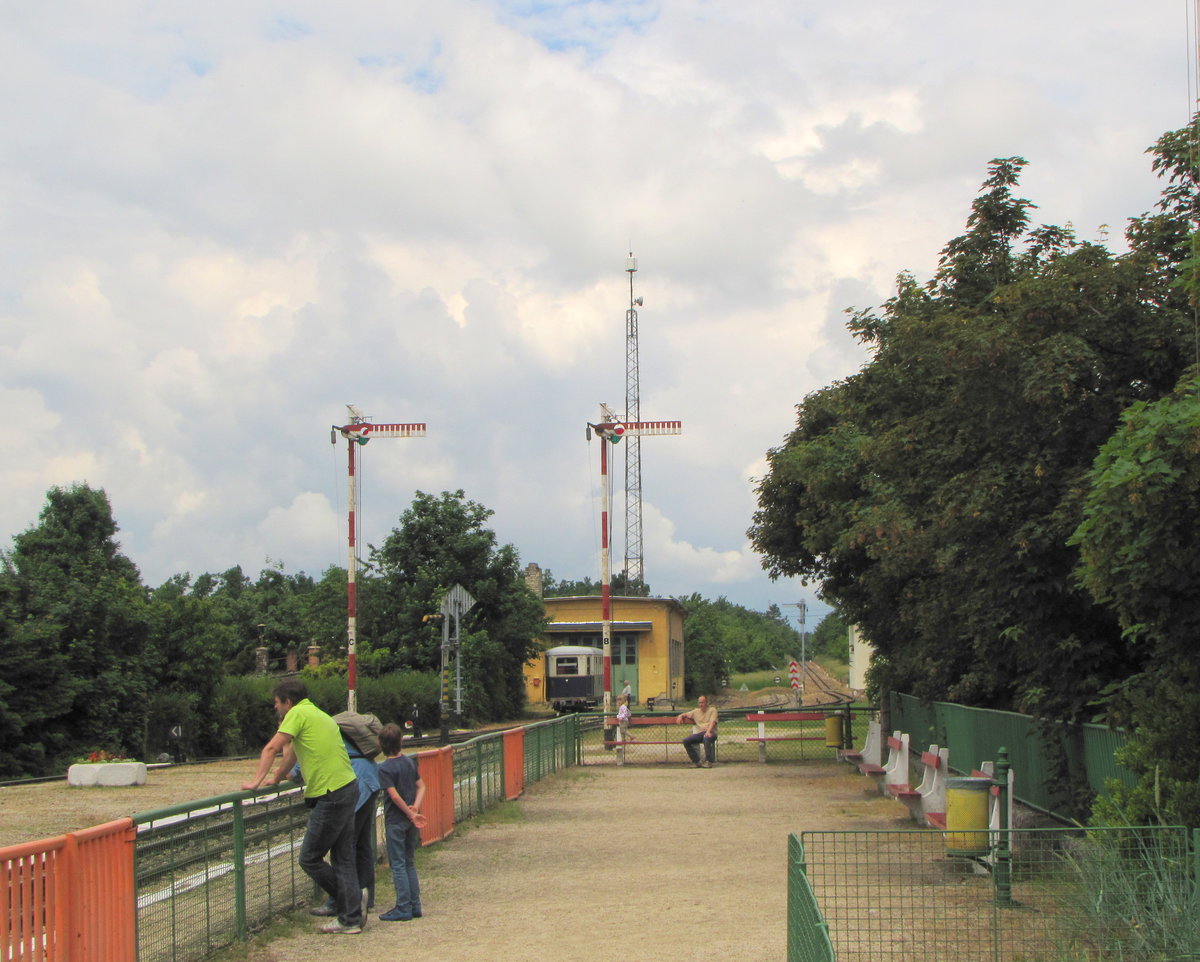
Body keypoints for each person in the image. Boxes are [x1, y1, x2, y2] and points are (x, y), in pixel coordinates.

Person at [242, 679, 364, 935]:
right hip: (347, 786)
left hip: (331, 792)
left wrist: (256, 782)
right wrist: (277, 777)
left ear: (287, 702)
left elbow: (272, 748)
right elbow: (293, 754)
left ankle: (350, 907)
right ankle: (350, 912)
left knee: (309, 858)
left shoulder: (296, 714)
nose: (275, 708)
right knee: (343, 858)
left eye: (277, 703)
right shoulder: (317, 713)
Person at [307, 712, 382, 917]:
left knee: (343, 847)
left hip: (356, 782)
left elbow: (304, 765)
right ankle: (367, 897)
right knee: (362, 845)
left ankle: (340, 901)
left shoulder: (321, 732)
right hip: (370, 778)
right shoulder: (337, 728)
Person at [377, 722, 427, 922]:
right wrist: (415, 808)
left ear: (381, 744)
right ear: (401, 741)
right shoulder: (408, 762)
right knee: (409, 862)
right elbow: (421, 786)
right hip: (412, 820)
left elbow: (394, 796)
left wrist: (408, 813)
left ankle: (403, 907)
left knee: (397, 864)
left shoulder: (384, 769)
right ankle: (415, 905)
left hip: (396, 820)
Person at [676, 694, 718, 768]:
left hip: (711, 732)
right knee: (686, 741)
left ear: (707, 703)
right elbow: (685, 714)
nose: (701, 704)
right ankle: (697, 761)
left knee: (706, 738)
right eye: (699, 702)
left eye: (702, 702)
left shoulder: (712, 710)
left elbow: (713, 722)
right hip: (700, 733)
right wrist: (680, 716)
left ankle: (709, 761)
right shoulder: (696, 711)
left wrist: (708, 732)